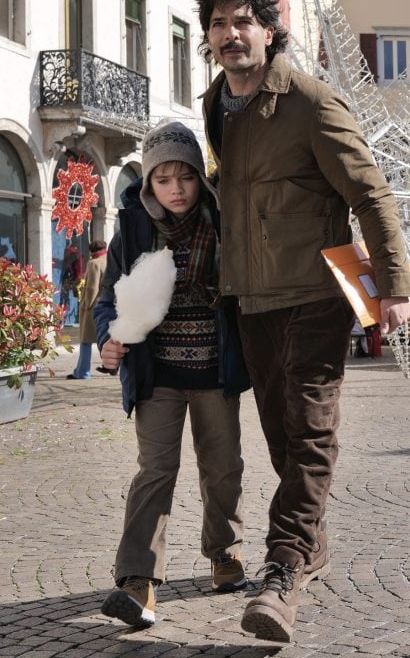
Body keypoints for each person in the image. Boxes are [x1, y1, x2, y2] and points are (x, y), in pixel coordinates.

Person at [195, 0, 410, 642]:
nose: (231, 35)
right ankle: (311, 546)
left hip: (318, 294)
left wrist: (396, 285)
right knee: (283, 438)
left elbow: (369, 194)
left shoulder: (312, 103)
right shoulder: (215, 105)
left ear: (270, 30)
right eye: (219, 24)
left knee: (312, 429)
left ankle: (283, 569)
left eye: (243, 22)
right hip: (251, 298)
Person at [94, 121, 251, 628]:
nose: (176, 189)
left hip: (215, 371)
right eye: (163, 179)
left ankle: (225, 551)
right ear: (149, 184)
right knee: (155, 472)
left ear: (199, 178)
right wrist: (109, 339)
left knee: (222, 468)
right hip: (156, 375)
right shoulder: (134, 229)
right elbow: (107, 301)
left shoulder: (225, 220)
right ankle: (138, 581)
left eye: (185, 177)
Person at [66, 239, 107, 379]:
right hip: (108, 304)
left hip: (94, 306)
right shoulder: (111, 260)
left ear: (92, 251)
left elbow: (92, 288)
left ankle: (83, 372)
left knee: (85, 340)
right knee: (108, 339)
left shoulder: (94, 263)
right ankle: (112, 367)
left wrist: (85, 305)